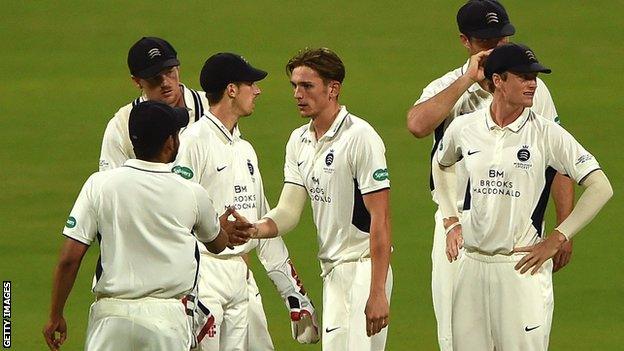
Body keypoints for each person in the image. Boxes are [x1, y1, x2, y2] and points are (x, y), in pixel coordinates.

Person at [405, 1, 574, 349]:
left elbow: (560, 163)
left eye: (502, 37)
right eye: (485, 41)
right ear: (465, 42)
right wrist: (467, 80)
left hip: (519, 232)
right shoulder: (449, 85)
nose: (496, 47)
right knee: (458, 339)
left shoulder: (531, 88)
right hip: (458, 230)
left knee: (526, 336)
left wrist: (563, 229)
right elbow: (417, 125)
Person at [433, 42, 612, 351]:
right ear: (498, 81)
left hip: (518, 267)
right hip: (471, 265)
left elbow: (600, 187)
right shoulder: (465, 128)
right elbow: (441, 163)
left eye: (535, 77)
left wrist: (558, 237)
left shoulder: (546, 133)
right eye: (524, 77)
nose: (533, 84)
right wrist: (451, 219)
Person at [42, 101, 245, 350]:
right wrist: (221, 228)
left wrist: (55, 315)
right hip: (167, 321)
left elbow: (69, 259)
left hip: (110, 317)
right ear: (171, 142)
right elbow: (217, 244)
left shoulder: (99, 185)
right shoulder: (192, 193)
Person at [245, 47, 393, 351]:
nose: (298, 94)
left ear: (333, 89)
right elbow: (288, 210)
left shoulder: (360, 137)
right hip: (333, 272)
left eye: (307, 86)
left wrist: (377, 291)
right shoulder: (298, 141)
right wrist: (254, 229)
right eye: (294, 86)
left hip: (363, 269)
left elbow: (381, 217)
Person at [172, 52, 319, 350]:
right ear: (231, 90)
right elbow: (173, 217)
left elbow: (261, 222)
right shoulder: (193, 142)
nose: (258, 90)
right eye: (250, 83)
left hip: (239, 275)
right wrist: (212, 230)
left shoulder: (245, 150)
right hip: (203, 276)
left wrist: (293, 294)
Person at [99, 36, 208, 171]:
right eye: (154, 78)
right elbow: (110, 180)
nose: (165, 83)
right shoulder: (122, 123)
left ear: (178, 68)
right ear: (137, 81)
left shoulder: (211, 107)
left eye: (169, 72)